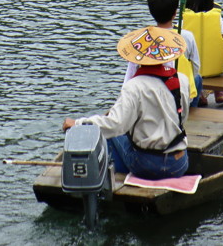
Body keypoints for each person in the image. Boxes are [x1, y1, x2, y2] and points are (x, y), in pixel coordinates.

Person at [62, 26, 190, 180]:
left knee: (109, 133)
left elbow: (115, 125)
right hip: (179, 163)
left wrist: (78, 123)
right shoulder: (182, 80)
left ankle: (116, 174)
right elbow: (183, 117)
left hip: (147, 165)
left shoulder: (134, 86)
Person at [123, 0, 201, 108]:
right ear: (175, 12)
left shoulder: (142, 39)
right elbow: (196, 67)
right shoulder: (186, 36)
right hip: (179, 96)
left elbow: (129, 76)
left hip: (152, 97)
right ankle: (192, 109)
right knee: (198, 79)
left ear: (151, 12)